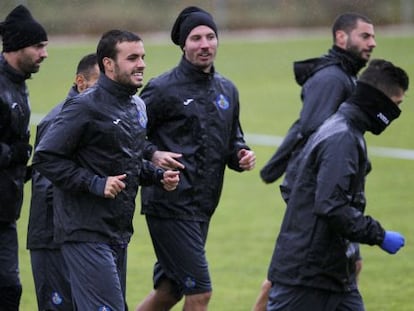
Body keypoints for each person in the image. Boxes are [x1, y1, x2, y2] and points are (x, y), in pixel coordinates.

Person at [32, 29, 180, 310]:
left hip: (117, 231)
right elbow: (46, 157)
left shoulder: (137, 106)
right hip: (84, 230)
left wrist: (158, 176)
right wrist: (95, 183)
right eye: (132, 58)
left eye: (143, 57)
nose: (141, 64)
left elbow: (129, 161)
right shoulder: (82, 107)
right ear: (108, 64)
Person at [136, 6, 256, 311]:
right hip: (169, 206)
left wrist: (240, 154)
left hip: (203, 207)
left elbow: (233, 139)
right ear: (183, 44)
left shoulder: (227, 90)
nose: (205, 44)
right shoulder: (163, 89)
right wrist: (154, 153)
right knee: (200, 292)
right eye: (196, 38)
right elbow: (129, 136)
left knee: (168, 292)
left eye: (210, 36)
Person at [253, 12, 376, 310]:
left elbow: (304, 127)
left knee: (348, 266)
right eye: (365, 36)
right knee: (290, 275)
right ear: (341, 38)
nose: (372, 43)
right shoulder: (332, 79)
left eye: (373, 37)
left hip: (321, 186)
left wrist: (273, 168)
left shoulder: (343, 74)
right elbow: (311, 131)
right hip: (311, 188)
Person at [266, 59, 409, 311]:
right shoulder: (342, 138)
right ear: (379, 102)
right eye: (396, 105)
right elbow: (331, 206)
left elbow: (293, 185)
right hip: (307, 277)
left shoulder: (342, 129)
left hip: (333, 273)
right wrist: (379, 235)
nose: (397, 115)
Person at [27, 53, 99, 311]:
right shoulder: (60, 121)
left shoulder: (92, 118)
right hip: (52, 238)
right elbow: (48, 184)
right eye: (98, 84)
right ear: (81, 82)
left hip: (79, 235)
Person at [0, 5, 48, 310]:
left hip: (5, 210)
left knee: (9, 289)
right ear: (17, 47)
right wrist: (13, 155)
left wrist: (28, 167)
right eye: (38, 46)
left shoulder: (18, 85)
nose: (44, 54)